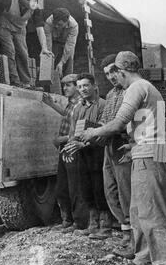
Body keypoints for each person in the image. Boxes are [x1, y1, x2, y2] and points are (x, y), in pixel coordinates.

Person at [80, 51, 166, 265]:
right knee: (138, 211)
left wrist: (93, 132)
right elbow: (153, 126)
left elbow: (118, 123)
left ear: (122, 71)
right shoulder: (149, 88)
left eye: (116, 74)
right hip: (144, 152)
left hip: (149, 156)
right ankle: (143, 258)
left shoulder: (135, 88)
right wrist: (134, 145)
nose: (116, 80)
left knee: (153, 212)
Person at [88, 54, 133, 244]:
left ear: (122, 69)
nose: (111, 76)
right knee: (111, 189)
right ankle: (125, 229)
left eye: (114, 71)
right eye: (107, 74)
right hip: (110, 146)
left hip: (124, 144)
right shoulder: (112, 94)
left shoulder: (130, 91)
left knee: (126, 191)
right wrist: (91, 130)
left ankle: (133, 235)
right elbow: (106, 121)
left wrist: (100, 129)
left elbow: (122, 123)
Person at [63, 73, 111, 239]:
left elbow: (103, 134)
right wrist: (69, 147)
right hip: (82, 153)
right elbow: (72, 133)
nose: (82, 89)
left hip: (99, 152)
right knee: (86, 188)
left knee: (100, 187)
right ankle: (93, 225)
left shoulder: (103, 105)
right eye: (80, 86)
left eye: (85, 85)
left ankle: (105, 227)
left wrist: (84, 144)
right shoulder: (78, 108)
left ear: (94, 85)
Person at [44, 74, 88, 233]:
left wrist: (61, 138)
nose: (65, 88)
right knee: (62, 186)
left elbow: (79, 130)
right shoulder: (71, 104)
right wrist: (51, 105)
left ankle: (79, 222)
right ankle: (66, 220)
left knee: (74, 186)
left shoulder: (81, 105)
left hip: (72, 148)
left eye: (68, 85)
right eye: (64, 85)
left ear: (77, 86)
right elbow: (66, 115)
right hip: (65, 148)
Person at [0, 0, 52, 89]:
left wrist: (44, 48)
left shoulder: (36, 6)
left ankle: (26, 82)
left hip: (20, 28)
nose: (32, 4)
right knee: (10, 51)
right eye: (29, 0)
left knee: (23, 53)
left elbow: (39, 28)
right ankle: (14, 81)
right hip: (4, 25)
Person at [44, 8, 79, 78]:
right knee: (48, 58)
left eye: (59, 24)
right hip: (54, 41)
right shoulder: (48, 22)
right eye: (55, 23)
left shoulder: (74, 25)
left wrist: (61, 63)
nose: (56, 26)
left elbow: (70, 45)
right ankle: (44, 82)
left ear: (66, 22)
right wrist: (49, 59)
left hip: (67, 42)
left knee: (69, 60)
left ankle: (67, 83)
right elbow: (48, 42)